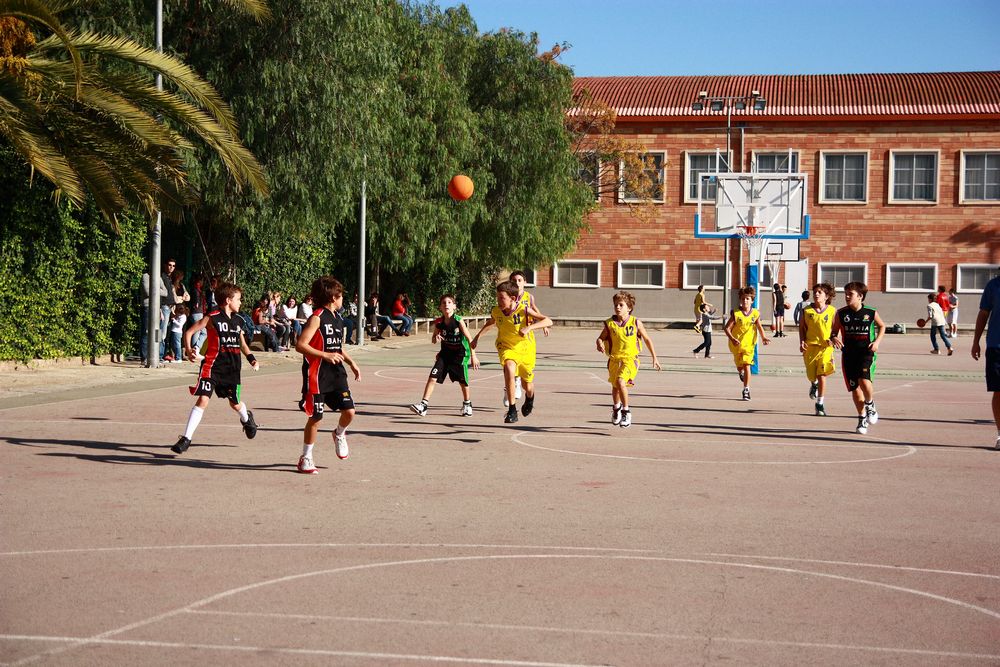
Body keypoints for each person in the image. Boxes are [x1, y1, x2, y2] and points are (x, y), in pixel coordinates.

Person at [172, 282, 260, 455]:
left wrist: (252, 359)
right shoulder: (212, 317)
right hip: (212, 366)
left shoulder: (239, 320)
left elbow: (243, 345)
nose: (240, 302)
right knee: (203, 399)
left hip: (232, 369)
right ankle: (186, 438)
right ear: (228, 300)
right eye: (238, 299)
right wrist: (188, 350)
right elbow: (189, 332)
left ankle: (247, 418)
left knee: (235, 404)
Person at [295, 276, 361, 474]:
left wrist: (351, 363)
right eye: (341, 296)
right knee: (316, 417)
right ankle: (306, 458)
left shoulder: (338, 318)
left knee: (350, 411)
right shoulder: (317, 317)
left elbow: (337, 347)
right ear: (333, 297)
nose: (342, 299)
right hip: (318, 374)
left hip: (337, 373)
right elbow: (300, 345)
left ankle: (339, 434)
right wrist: (324, 355)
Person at [471, 281, 552, 424]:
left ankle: (530, 398)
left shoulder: (523, 309)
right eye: (497, 297)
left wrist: (529, 328)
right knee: (509, 367)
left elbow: (548, 321)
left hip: (525, 349)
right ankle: (512, 410)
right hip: (506, 346)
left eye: (502, 298)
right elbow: (491, 323)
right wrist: (477, 337)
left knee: (527, 385)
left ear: (512, 298)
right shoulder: (496, 311)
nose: (498, 301)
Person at [596, 290, 661, 427]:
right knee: (615, 387)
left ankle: (626, 411)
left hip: (630, 360)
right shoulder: (610, 324)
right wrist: (599, 343)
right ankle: (616, 408)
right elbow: (600, 338)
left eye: (621, 305)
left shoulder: (635, 322)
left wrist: (654, 358)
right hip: (614, 360)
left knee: (621, 382)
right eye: (616, 305)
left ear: (629, 308)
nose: (617, 307)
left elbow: (647, 339)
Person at [409, 294, 481, 417]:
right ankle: (423, 405)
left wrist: (473, 356)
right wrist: (436, 338)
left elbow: (470, 339)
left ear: (454, 306)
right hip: (445, 354)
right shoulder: (439, 322)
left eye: (449, 302)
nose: (446, 304)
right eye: (444, 303)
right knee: (432, 377)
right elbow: (433, 339)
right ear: (440, 307)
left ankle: (467, 404)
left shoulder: (458, 321)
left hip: (460, 354)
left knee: (462, 381)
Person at [830, 281, 886, 435]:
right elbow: (833, 332)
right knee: (855, 389)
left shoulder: (870, 312)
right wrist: (834, 338)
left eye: (851, 294)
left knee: (864, 380)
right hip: (849, 354)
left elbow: (882, 326)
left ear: (860, 296)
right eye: (846, 294)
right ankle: (862, 418)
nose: (847, 296)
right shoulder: (841, 313)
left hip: (866, 352)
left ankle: (870, 404)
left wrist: (877, 342)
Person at [507, 270, 549, 406]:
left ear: (524, 282)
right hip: (511, 336)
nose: (517, 283)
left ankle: (519, 382)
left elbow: (535, 309)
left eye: (519, 280)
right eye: (514, 280)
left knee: (525, 367)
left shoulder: (529, 297)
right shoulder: (507, 296)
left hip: (526, 335)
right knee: (510, 362)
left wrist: (543, 324)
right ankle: (513, 384)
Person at [724, 286, 770, 401]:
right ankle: (741, 372)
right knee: (740, 367)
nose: (745, 301)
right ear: (740, 299)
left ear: (752, 300)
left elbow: (759, 326)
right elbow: (727, 328)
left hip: (749, 345)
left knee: (747, 365)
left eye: (748, 299)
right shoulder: (736, 313)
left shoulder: (755, 313)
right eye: (743, 298)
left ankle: (746, 389)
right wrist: (732, 338)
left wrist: (764, 337)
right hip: (736, 345)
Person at [970, 273, 1000, 450]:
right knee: (999, 391)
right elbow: (983, 313)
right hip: (996, 346)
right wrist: (976, 342)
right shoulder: (993, 286)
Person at [799, 283, 837, 416]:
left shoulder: (832, 311)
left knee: (822, 375)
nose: (816, 294)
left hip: (825, 348)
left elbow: (836, 328)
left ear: (826, 296)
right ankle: (813, 383)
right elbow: (802, 328)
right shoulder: (807, 311)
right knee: (811, 375)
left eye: (820, 292)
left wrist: (834, 338)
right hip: (810, 347)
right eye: (815, 291)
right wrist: (802, 341)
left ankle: (820, 404)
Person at [139, 268, 169, 365]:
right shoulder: (145, 276)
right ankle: (144, 357)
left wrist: (154, 289)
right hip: (147, 307)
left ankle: (158, 356)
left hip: (158, 308)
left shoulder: (159, 278)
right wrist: (158, 289)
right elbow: (147, 292)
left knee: (158, 332)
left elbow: (166, 292)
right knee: (146, 332)